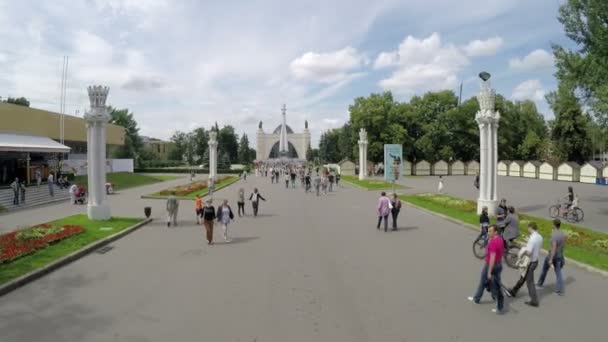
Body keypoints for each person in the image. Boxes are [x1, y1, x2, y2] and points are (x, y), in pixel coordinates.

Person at [468, 225, 505, 314]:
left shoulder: (493, 243)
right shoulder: (500, 239)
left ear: (495, 232)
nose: (488, 233)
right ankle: (498, 304)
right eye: (488, 231)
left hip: (490, 265)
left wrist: (489, 271)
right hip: (499, 264)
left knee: (483, 282)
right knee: (496, 284)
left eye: (490, 231)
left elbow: (492, 257)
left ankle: (477, 299)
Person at [505, 222, 543, 307]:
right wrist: (528, 241)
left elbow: (529, 252)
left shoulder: (532, 240)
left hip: (530, 262)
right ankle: (513, 291)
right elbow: (535, 245)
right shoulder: (539, 237)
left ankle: (534, 301)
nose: (528, 230)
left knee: (530, 282)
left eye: (528, 229)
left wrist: (522, 250)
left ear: (530, 228)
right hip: (535, 260)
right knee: (523, 277)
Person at [537, 219, 566, 295]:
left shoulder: (554, 235)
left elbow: (554, 247)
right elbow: (563, 244)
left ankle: (540, 283)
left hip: (552, 256)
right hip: (559, 255)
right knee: (558, 273)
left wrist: (550, 259)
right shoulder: (562, 234)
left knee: (544, 269)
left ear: (554, 225)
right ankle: (559, 290)